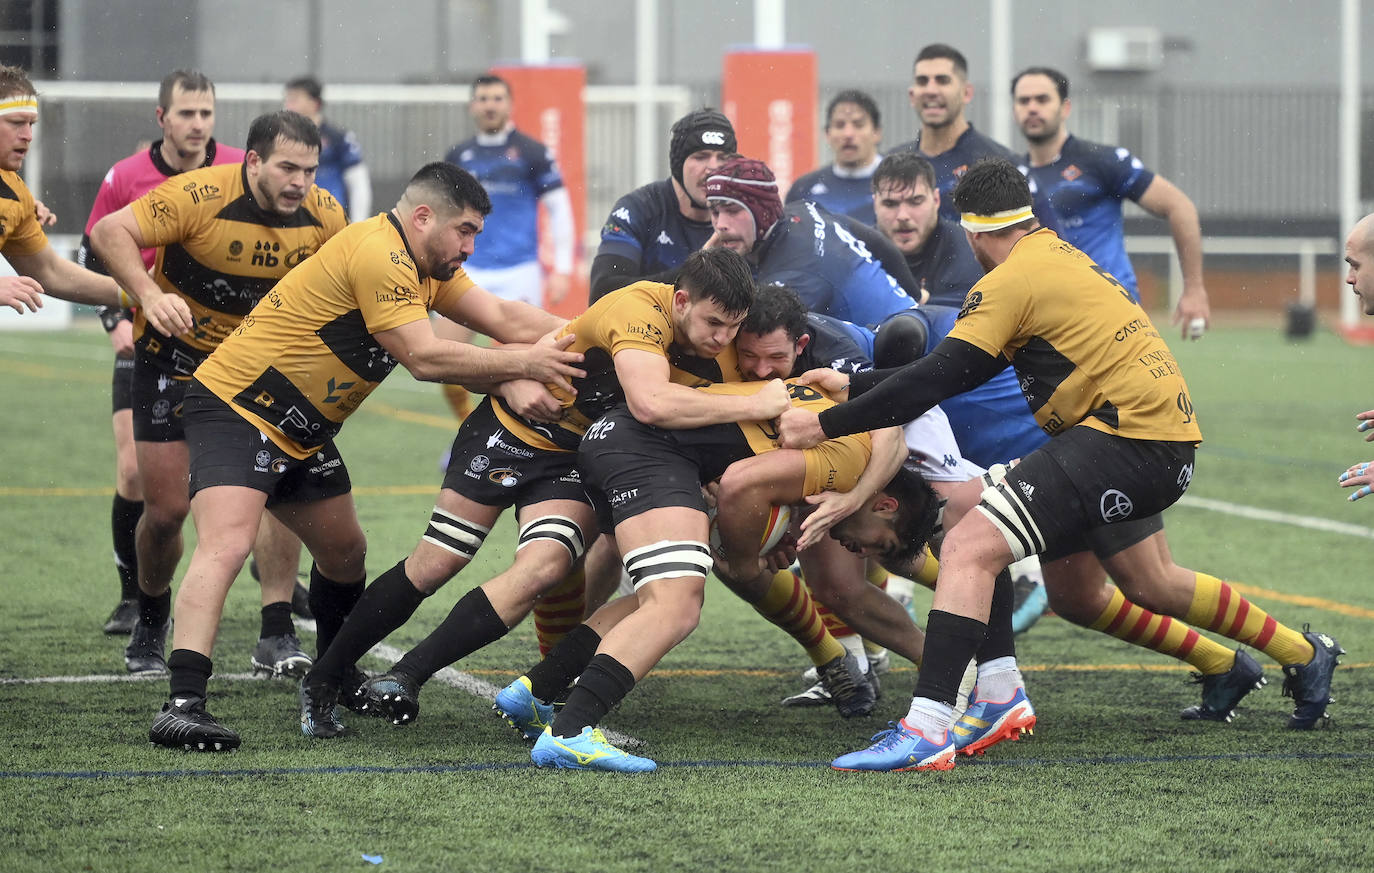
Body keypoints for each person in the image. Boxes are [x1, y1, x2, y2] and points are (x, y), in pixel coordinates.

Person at [780, 159, 1342, 770]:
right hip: (1150, 439)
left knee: (969, 544)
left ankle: (931, 725)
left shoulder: (1008, 281)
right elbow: (960, 373)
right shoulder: (1056, 256)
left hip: (1123, 440)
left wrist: (826, 420)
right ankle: (999, 694)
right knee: (1036, 553)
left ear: (968, 231)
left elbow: (939, 378)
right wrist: (853, 385)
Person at [125, 161, 585, 751]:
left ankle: (335, 675)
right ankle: (183, 700)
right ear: (423, 217)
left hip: (301, 427)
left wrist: (598, 335)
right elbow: (425, 358)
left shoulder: (425, 266)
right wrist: (525, 364)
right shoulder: (381, 253)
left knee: (345, 553)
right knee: (229, 542)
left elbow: (504, 317)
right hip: (237, 407)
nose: (470, 247)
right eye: (464, 231)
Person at [297, 249, 788, 737]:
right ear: (681, 301)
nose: (724, 339)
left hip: (574, 455)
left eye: (733, 326)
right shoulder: (639, 311)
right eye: (715, 324)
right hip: (513, 428)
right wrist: (757, 400)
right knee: (438, 561)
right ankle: (324, 678)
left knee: (545, 567)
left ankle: (406, 676)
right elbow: (651, 402)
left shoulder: (727, 348)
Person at [519, 376, 908, 772]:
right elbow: (742, 483)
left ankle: (538, 688)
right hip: (649, 453)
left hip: (619, 440)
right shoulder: (843, 455)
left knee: (656, 595)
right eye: (754, 355)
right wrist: (744, 565)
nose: (762, 367)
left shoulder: (829, 408)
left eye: (774, 361)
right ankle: (570, 730)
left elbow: (891, 429)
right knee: (677, 605)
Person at [90, 111, 336, 681]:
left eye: (310, 170)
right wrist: (148, 294)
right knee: (167, 513)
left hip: (258, 376)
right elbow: (108, 234)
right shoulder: (197, 195)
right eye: (288, 168)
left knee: (273, 495)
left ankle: (276, 628)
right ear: (251, 161)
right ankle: (152, 615)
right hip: (174, 365)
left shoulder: (325, 214)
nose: (301, 182)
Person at [77, 70, 257, 638]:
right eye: (186, 113)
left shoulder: (240, 167)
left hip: (231, 351)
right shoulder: (126, 176)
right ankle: (135, 596)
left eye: (206, 113)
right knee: (136, 474)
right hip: (150, 344)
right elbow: (93, 255)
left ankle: (279, 595)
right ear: (162, 118)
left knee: (263, 471)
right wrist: (116, 323)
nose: (198, 124)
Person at [1012, 66, 1210, 340]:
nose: (1032, 108)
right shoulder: (1013, 176)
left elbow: (1179, 206)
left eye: (1042, 99)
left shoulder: (1101, 161)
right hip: (1049, 320)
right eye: (1024, 101)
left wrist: (1194, 288)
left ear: (1065, 108)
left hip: (1114, 312)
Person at [437, 73, 576, 421]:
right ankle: (465, 428)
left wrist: (562, 269)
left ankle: (524, 434)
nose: (490, 105)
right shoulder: (459, 154)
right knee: (442, 356)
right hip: (468, 269)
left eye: (497, 99)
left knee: (528, 363)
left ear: (510, 105)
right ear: (473, 106)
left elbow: (560, 208)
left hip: (520, 272)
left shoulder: (532, 151)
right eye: (483, 99)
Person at [705, 156, 919, 327]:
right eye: (715, 212)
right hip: (914, 320)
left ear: (762, 213)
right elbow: (879, 243)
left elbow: (748, 338)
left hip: (898, 347)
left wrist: (709, 273)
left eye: (733, 211)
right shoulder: (801, 210)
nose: (721, 224)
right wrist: (915, 296)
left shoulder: (796, 273)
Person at [0, 65, 122, 314]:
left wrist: (142, 293)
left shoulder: (15, 196)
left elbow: (50, 271)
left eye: (31, 124)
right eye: (16, 123)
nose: (28, 135)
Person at [589, 108, 737, 302]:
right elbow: (603, 294)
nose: (713, 168)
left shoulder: (744, 216)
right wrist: (696, 274)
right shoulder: (638, 209)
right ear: (678, 165)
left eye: (723, 158)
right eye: (701, 156)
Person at [890, 44, 1017, 223]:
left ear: (966, 92)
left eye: (942, 80)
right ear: (912, 95)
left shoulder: (999, 164)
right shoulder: (891, 164)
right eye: (922, 81)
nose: (931, 90)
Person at [785, 90, 884, 225]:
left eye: (858, 125)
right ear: (827, 134)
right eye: (839, 125)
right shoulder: (804, 188)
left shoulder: (898, 182)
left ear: (877, 132)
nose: (848, 134)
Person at [282, 75, 371, 223]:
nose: (287, 106)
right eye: (287, 100)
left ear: (314, 103)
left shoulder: (339, 139)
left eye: (294, 100)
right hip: (293, 221)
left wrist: (357, 225)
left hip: (330, 221)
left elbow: (358, 184)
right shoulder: (280, 140)